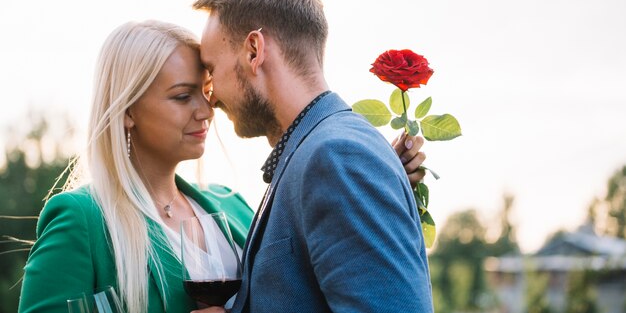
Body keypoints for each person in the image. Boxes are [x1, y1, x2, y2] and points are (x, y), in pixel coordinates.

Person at [18, 20, 426, 313]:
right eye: (182, 96)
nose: (206, 110)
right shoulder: (80, 220)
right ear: (127, 111)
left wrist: (378, 174)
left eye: (206, 91)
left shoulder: (231, 207)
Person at [192, 0, 434, 313]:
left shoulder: (337, 157)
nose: (211, 96)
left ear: (253, 51)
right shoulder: (313, 151)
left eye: (212, 69)